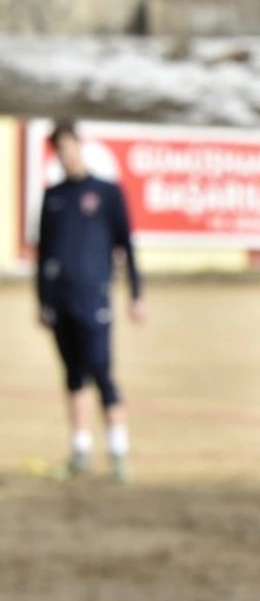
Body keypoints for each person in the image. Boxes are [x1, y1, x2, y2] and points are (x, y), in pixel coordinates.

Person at [35, 119, 145, 482]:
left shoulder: (107, 193)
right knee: (72, 375)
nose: (65, 154)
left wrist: (136, 294)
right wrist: (42, 299)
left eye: (69, 146)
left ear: (79, 146)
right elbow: (43, 254)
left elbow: (127, 246)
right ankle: (80, 451)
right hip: (60, 301)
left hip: (93, 298)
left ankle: (118, 452)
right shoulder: (53, 196)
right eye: (59, 149)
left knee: (101, 371)